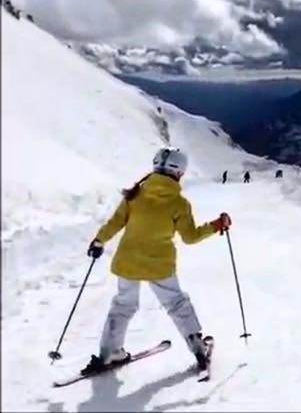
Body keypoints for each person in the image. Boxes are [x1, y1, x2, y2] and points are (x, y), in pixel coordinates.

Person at [81, 147, 232, 376]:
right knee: (176, 303)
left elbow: (115, 222)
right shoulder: (179, 203)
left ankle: (110, 352)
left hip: (127, 262)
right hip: (159, 265)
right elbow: (190, 237)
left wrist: (99, 240)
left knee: (122, 305)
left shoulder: (135, 195)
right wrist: (216, 225)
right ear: (179, 172)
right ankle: (197, 347)